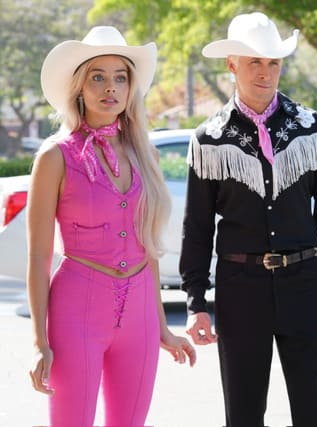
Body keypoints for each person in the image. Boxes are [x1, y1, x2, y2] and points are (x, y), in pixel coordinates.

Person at [180, 12, 317, 427]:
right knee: (243, 414)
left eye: (273, 63)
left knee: (315, 411)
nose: (265, 72)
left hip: (303, 284)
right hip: (239, 289)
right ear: (232, 65)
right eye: (254, 62)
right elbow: (198, 227)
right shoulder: (209, 139)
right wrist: (195, 303)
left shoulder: (311, 128)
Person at [27, 26, 196, 426]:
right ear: (78, 88)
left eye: (120, 77)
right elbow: (37, 256)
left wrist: (162, 328)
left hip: (139, 312)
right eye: (97, 77)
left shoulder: (146, 152)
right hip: (75, 309)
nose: (110, 87)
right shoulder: (54, 157)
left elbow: (149, 247)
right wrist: (39, 341)